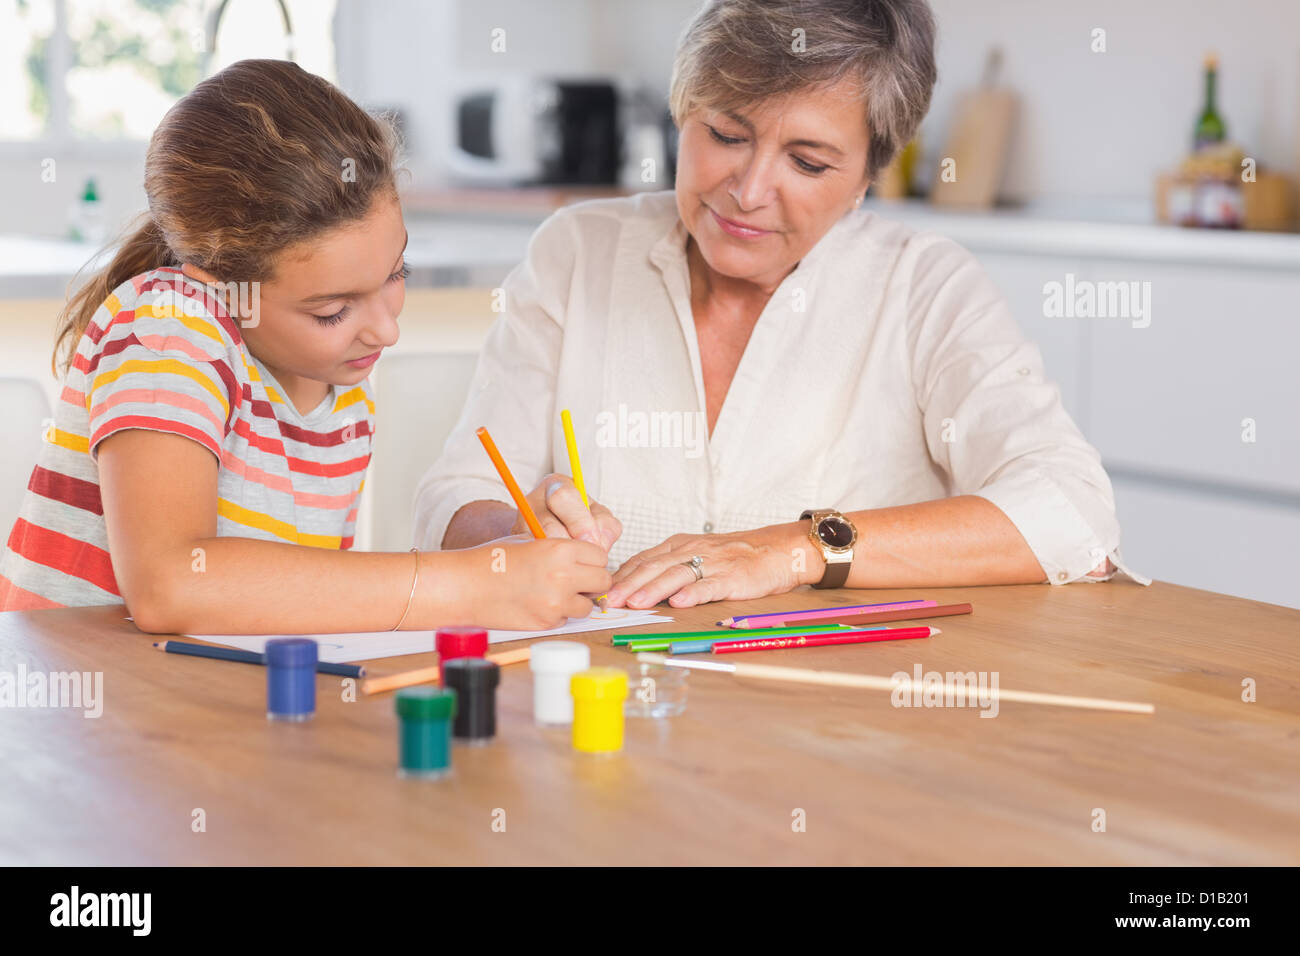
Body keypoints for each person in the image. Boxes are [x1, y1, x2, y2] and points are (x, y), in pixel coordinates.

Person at [414, 0, 1148, 611]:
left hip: (837, 732)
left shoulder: (923, 288)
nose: (750, 189)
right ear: (682, 112)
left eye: (807, 162)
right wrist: (514, 531)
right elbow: (455, 498)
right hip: (612, 714)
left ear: (867, 175)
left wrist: (796, 549)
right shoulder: (577, 252)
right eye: (726, 133)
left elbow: (1073, 511)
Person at [0, 59, 609, 632]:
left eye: (396, 274)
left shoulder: (340, 384)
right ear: (221, 285)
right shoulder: (168, 322)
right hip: (79, 723)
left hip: (198, 712)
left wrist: (504, 550)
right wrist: (470, 586)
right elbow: (170, 585)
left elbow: (289, 600)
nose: (385, 330)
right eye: (333, 310)